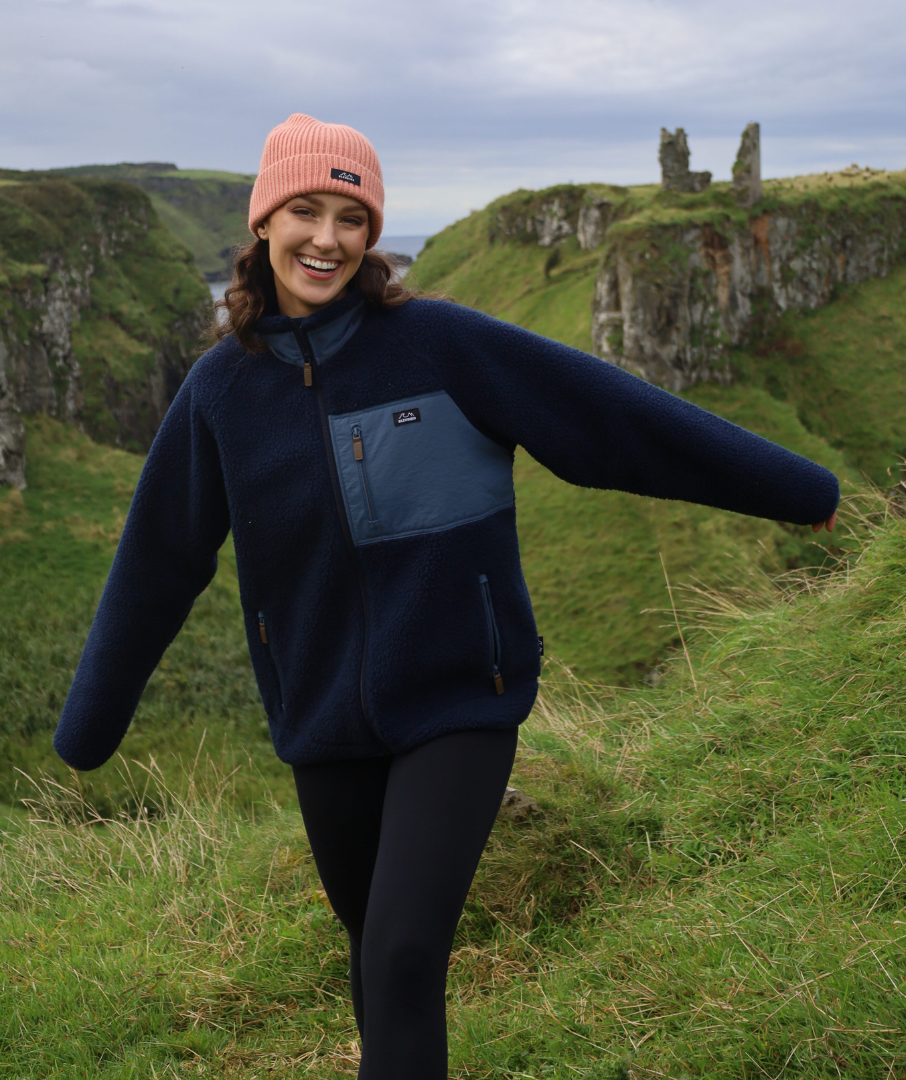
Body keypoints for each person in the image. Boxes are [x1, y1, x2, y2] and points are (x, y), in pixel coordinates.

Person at [53, 114, 840, 1078]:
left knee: (404, 954)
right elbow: (161, 555)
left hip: (460, 696)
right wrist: (90, 724)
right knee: (376, 958)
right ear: (263, 222)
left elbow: (612, 420)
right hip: (323, 719)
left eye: (352, 217)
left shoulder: (439, 344)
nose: (328, 239)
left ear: (373, 232)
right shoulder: (220, 391)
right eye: (305, 211)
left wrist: (800, 492)